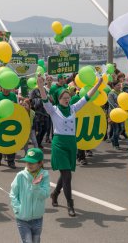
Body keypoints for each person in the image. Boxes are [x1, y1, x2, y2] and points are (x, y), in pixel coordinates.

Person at [37, 75, 102, 217]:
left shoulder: (73, 108)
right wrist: (41, 86)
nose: (66, 100)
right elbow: (44, 99)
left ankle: (55, 194)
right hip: (59, 144)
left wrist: (98, 84)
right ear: (58, 99)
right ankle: (70, 204)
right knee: (67, 175)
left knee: (65, 174)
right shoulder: (53, 110)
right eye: (63, 98)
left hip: (71, 144)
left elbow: (87, 97)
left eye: (68, 97)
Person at [10, 148, 50, 243]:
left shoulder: (44, 175)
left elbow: (45, 194)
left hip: (37, 218)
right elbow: (13, 193)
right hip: (22, 218)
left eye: (32, 162)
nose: (29, 164)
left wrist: (36, 186)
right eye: (27, 162)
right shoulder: (20, 175)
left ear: (40, 163)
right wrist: (17, 209)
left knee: (36, 241)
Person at [0, 87, 18, 168]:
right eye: (4, 88)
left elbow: (16, 107)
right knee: (0, 141)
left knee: (11, 142)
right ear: (1, 88)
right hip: (0, 121)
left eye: (8, 88)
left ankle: (11, 161)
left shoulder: (13, 95)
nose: (6, 89)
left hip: (10, 121)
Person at [108, 81, 123, 150]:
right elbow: (111, 103)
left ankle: (112, 139)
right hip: (114, 113)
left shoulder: (121, 93)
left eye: (120, 85)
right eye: (117, 85)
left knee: (121, 128)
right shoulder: (111, 94)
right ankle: (115, 144)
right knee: (116, 129)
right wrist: (120, 106)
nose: (119, 86)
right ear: (113, 86)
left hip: (121, 113)